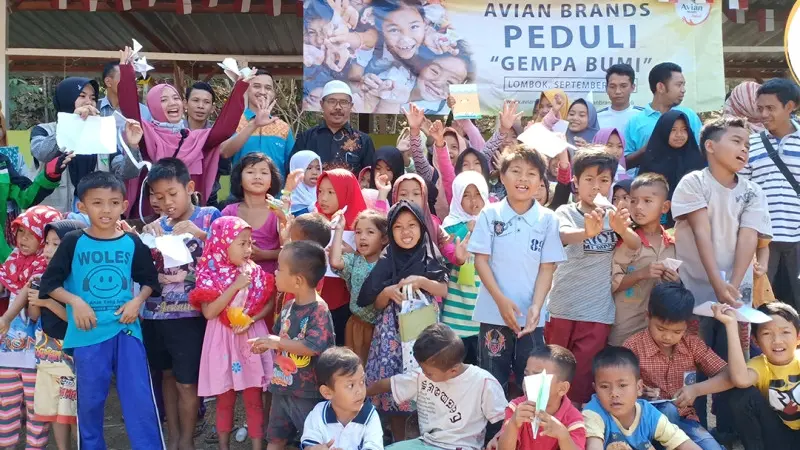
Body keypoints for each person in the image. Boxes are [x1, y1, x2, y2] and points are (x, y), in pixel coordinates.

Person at [36, 171, 164, 449]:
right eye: (97, 203)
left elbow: (150, 282)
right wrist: (76, 302)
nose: (106, 209)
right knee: (90, 404)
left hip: (126, 329)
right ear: (82, 206)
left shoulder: (132, 242)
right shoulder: (72, 241)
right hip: (87, 334)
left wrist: (136, 301)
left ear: (123, 204)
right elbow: (50, 284)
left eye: (113, 202)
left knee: (139, 399)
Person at [671, 116, 772, 433]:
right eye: (736, 141)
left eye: (747, 144)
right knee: (692, 362)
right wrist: (717, 284)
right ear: (710, 146)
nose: (744, 149)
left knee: (733, 361)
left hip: (735, 299)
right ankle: (692, 426)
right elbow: (701, 233)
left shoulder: (753, 190)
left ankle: (729, 429)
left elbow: (749, 236)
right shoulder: (693, 183)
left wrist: (732, 285)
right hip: (694, 293)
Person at [468, 145, 565, 393]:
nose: (523, 179)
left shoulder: (548, 220)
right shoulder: (490, 214)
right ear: (502, 176)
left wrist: (537, 306)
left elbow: (547, 267)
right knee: (492, 381)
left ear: (541, 181)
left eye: (532, 173)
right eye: (516, 171)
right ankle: (494, 432)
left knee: (532, 382)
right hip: (493, 314)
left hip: (532, 319)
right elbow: (481, 261)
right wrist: (500, 300)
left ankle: (530, 432)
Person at [547, 148, 641, 405]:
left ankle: (576, 426)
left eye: (604, 181)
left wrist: (623, 228)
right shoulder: (565, 212)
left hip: (597, 312)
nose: (596, 187)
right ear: (576, 182)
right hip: (562, 307)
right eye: (589, 179)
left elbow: (634, 244)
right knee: (552, 371)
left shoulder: (615, 216)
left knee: (582, 378)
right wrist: (586, 233)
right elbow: (563, 235)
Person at [139, 158, 220, 450]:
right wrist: (146, 241)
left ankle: (187, 440)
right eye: (159, 197)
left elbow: (227, 255)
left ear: (189, 187)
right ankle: (172, 437)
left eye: (172, 194)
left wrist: (199, 234)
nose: (167, 202)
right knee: (167, 377)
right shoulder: (154, 226)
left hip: (190, 316)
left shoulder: (210, 217)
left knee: (187, 382)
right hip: (155, 315)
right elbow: (143, 272)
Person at [357, 201, 448, 442]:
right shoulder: (387, 260)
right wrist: (386, 293)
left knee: (424, 384)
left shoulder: (429, 255)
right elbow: (373, 302)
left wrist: (421, 281)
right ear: (390, 232)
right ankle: (399, 441)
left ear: (422, 228)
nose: (406, 232)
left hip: (423, 331)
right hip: (392, 336)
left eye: (411, 225)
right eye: (398, 227)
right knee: (395, 389)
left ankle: (426, 440)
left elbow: (444, 288)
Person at [117, 47, 247, 208]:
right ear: (154, 105)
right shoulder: (146, 134)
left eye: (175, 98)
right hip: (151, 216)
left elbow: (224, 130)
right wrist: (127, 71)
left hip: (189, 218)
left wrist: (241, 87)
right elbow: (130, 110)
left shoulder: (195, 139)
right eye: (164, 100)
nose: (172, 103)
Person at [188, 216, 274, 450]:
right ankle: (223, 446)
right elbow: (210, 312)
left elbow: (268, 303)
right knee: (223, 397)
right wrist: (235, 286)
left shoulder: (254, 271)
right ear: (222, 243)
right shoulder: (209, 273)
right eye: (242, 243)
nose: (249, 249)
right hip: (222, 341)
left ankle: (258, 446)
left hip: (250, 337)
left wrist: (252, 319)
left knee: (253, 398)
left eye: (250, 242)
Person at [623, 283, 734, 450]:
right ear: (647, 317)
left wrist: (696, 389)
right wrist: (638, 392)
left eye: (677, 332)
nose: (667, 337)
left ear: (687, 326)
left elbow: (728, 376)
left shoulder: (691, 344)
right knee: (667, 409)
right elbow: (619, 387)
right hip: (646, 424)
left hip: (685, 420)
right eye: (660, 328)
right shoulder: (632, 347)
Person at [249, 241, 336, 450]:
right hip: (282, 387)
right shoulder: (288, 306)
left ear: (297, 280)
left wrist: (276, 341)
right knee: (275, 437)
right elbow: (281, 336)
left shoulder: (319, 310)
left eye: (280, 268)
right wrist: (267, 344)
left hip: (307, 392)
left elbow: (314, 346)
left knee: (313, 441)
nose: (276, 273)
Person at [367, 323, 508, 450]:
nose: (423, 373)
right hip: (425, 444)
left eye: (428, 372)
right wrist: (363, 392)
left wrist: (497, 438)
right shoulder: (422, 376)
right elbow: (388, 384)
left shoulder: (483, 382)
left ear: (453, 370)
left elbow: (506, 418)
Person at [0, 205, 63, 450]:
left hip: (37, 355)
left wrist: (6, 318)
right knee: (6, 405)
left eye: (30, 234)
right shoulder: (13, 259)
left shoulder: (46, 265)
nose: (22, 239)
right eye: (19, 232)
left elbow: (33, 306)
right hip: (7, 351)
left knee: (37, 407)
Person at [30, 77, 141, 213]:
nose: (89, 102)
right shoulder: (44, 130)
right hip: (54, 216)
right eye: (82, 96)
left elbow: (127, 172)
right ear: (66, 99)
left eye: (93, 98)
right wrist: (72, 122)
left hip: (94, 215)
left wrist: (133, 146)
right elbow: (42, 153)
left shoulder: (102, 132)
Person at [740, 79, 800, 312]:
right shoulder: (749, 145)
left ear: (790, 107)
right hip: (763, 242)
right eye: (760, 108)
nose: (763, 114)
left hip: (798, 239)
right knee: (763, 306)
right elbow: (743, 194)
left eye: (770, 108)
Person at [26, 219, 84, 450]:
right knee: (56, 412)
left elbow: (74, 318)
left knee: (72, 411)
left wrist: (47, 301)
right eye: (47, 244)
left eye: (55, 244)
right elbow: (33, 315)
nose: (48, 250)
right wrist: (36, 298)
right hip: (46, 354)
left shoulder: (76, 283)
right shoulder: (42, 278)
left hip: (69, 357)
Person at [583, 346, 699, 450]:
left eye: (622, 385)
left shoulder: (647, 412)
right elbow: (594, 445)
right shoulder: (593, 413)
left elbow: (682, 442)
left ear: (639, 387)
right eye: (604, 386)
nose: (614, 393)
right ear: (596, 389)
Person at [609, 173, 677, 346]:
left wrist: (675, 281)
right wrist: (642, 273)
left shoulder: (672, 244)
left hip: (659, 331)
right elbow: (612, 283)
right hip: (625, 326)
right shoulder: (627, 241)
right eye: (633, 201)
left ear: (665, 207)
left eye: (647, 201)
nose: (638, 207)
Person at [722, 302, 800, 449]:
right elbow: (740, 379)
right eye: (767, 333)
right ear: (756, 341)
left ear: (798, 337)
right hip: (777, 435)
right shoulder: (759, 365)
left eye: (785, 332)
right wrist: (731, 325)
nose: (777, 340)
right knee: (742, 395)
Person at [495, 345, 586, 450]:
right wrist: (513, 424)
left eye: (538, 377)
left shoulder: (573, 419)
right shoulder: (516, 408)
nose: (527, 382)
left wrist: (563, 436)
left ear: (562, 388)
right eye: (526, 375)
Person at [315, 168, 369, 345]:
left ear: (346, 192)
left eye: (331, 192)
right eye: (320, 191)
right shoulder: (314, 221)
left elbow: (373, 261)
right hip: (317, 297)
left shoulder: (362, 225)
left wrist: (352, 253)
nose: (323, 198)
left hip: (347, 302)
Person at [441, 171, 489, 364]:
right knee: (456, 361)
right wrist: (468, 228)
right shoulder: (450, 225)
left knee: (482, 363)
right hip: (457, 306)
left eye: (477, 194)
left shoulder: (492, 223)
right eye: (466, 195)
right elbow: (448, 247)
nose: (473, 201)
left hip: (483, 305)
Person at [330, 210, 389, 365]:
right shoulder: (355, 261)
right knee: (355, 367)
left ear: (384, 238)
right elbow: (335, 262)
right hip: (356, 326)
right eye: (358, 232)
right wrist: (339, 230)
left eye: (370, 232)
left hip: (381, 329)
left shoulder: (389, 265)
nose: (362, 237)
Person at [624, 62, 703, 173]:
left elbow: (703, 152)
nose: (683, 90)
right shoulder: (636, 122)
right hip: (649, 187)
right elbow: (624, 164)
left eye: (683, 85)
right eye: (678, 85)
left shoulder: (689, 116)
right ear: (660, 87)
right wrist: (648, 149)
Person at [300, 347, 383, 449]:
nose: (359, 391)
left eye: (362, 382)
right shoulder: (318, 413)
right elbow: (309, 445)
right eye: (350, 385)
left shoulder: (370, 416)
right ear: (327, 392)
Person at [219, 69, 295, 179]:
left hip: (275, 195)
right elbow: (224, 152)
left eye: (268, 88)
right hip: (241, 194)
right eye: (257, 86)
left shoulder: (283, 128)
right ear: (247, 90)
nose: (263, 92)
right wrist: (253, 124)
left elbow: (292, 167)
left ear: (273, 93)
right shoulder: (234, 122)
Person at [291, 80, 375, 175]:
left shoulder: (363, 141)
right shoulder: (306, 138)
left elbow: (369, 177)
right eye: (332, 101)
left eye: (343, 102)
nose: (338, 107)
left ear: (351, 106)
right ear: (322, 104)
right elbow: (293, 173)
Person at [637, 110, 706, 226]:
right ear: (664, 131)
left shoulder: (696, 158)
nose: (679, 135)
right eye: (673, 130)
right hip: (658, 223)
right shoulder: (652, 160)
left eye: (684, 129)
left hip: (693, 222)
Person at [221, 154, 283, 275]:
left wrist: (265, 255)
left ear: (271, 181)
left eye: (264, 173)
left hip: (271, 282)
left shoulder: (278, 210)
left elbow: (291, 249)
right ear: (239, 180)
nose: (257, 177)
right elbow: (217, 246)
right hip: (234, 282)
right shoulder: (228, 213)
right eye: (250, 172)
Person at [597, 63, 643, 131]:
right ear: (606, 88)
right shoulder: (597, 117)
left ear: (632, 87)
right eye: (612, 87)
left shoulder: (643, 116)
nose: (617, 91)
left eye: (623, 86)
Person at [288, 150, 322, 215]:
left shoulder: (324, 196)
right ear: (297, 170)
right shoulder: (289, 201)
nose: (315, 172)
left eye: (318, 168)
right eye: (309, 168)